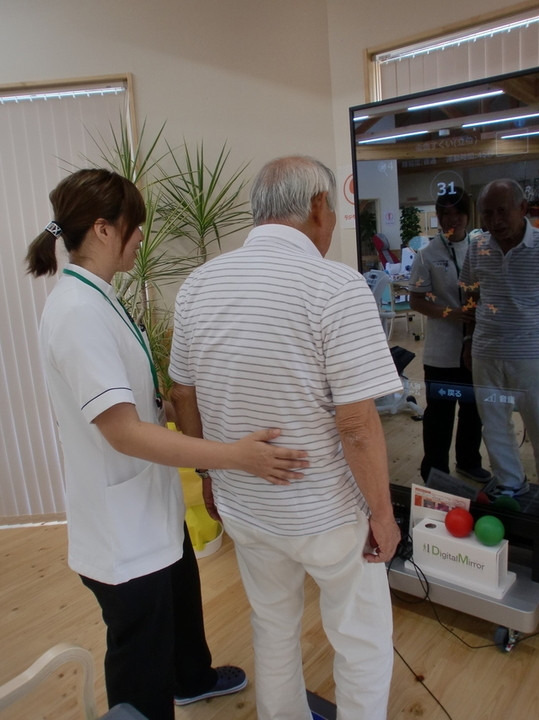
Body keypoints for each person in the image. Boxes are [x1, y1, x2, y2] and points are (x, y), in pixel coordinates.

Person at [26, 168, 309, 720]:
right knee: (141, 653)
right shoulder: (77, 312)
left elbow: (134, 399)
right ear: (104, 229)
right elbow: (123, 432)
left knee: (180, 596)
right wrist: (234, 457)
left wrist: (185, 406)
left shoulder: (100, 296)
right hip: (121, 531)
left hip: (150, 509)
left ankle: (192, 678)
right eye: (134, 227)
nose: (140, 238)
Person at [169, 156, 403, 720]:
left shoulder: (198, 285)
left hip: (246, 505)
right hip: (329, 514)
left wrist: (208, 476)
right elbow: (357, 424)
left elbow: (181, 396)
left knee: (272, 625)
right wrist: (383, 513)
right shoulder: (336, 285)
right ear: (319, 206)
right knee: (362, 637)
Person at [460, 178, 539, 498]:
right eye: (487, 213)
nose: (495, 221)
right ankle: (511, 483)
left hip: (532, 354)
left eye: (502, 211)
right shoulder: (477, 246)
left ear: (522, 208)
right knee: (493, 424)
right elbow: (470, 293)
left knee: (538, 423)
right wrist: (468, 340)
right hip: (486, 350)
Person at [408, 187, 490, 483]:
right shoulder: (427, 254)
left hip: (477, 346)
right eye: (445, 214)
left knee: (472, 410)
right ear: (439, 217)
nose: (452, 219)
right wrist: (450, 313)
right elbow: (416, 300)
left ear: (468, 215)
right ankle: (435, 471)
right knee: (439, 414)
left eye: (458, 213)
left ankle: (469, 461)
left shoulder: (481, 249)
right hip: (441, 351)